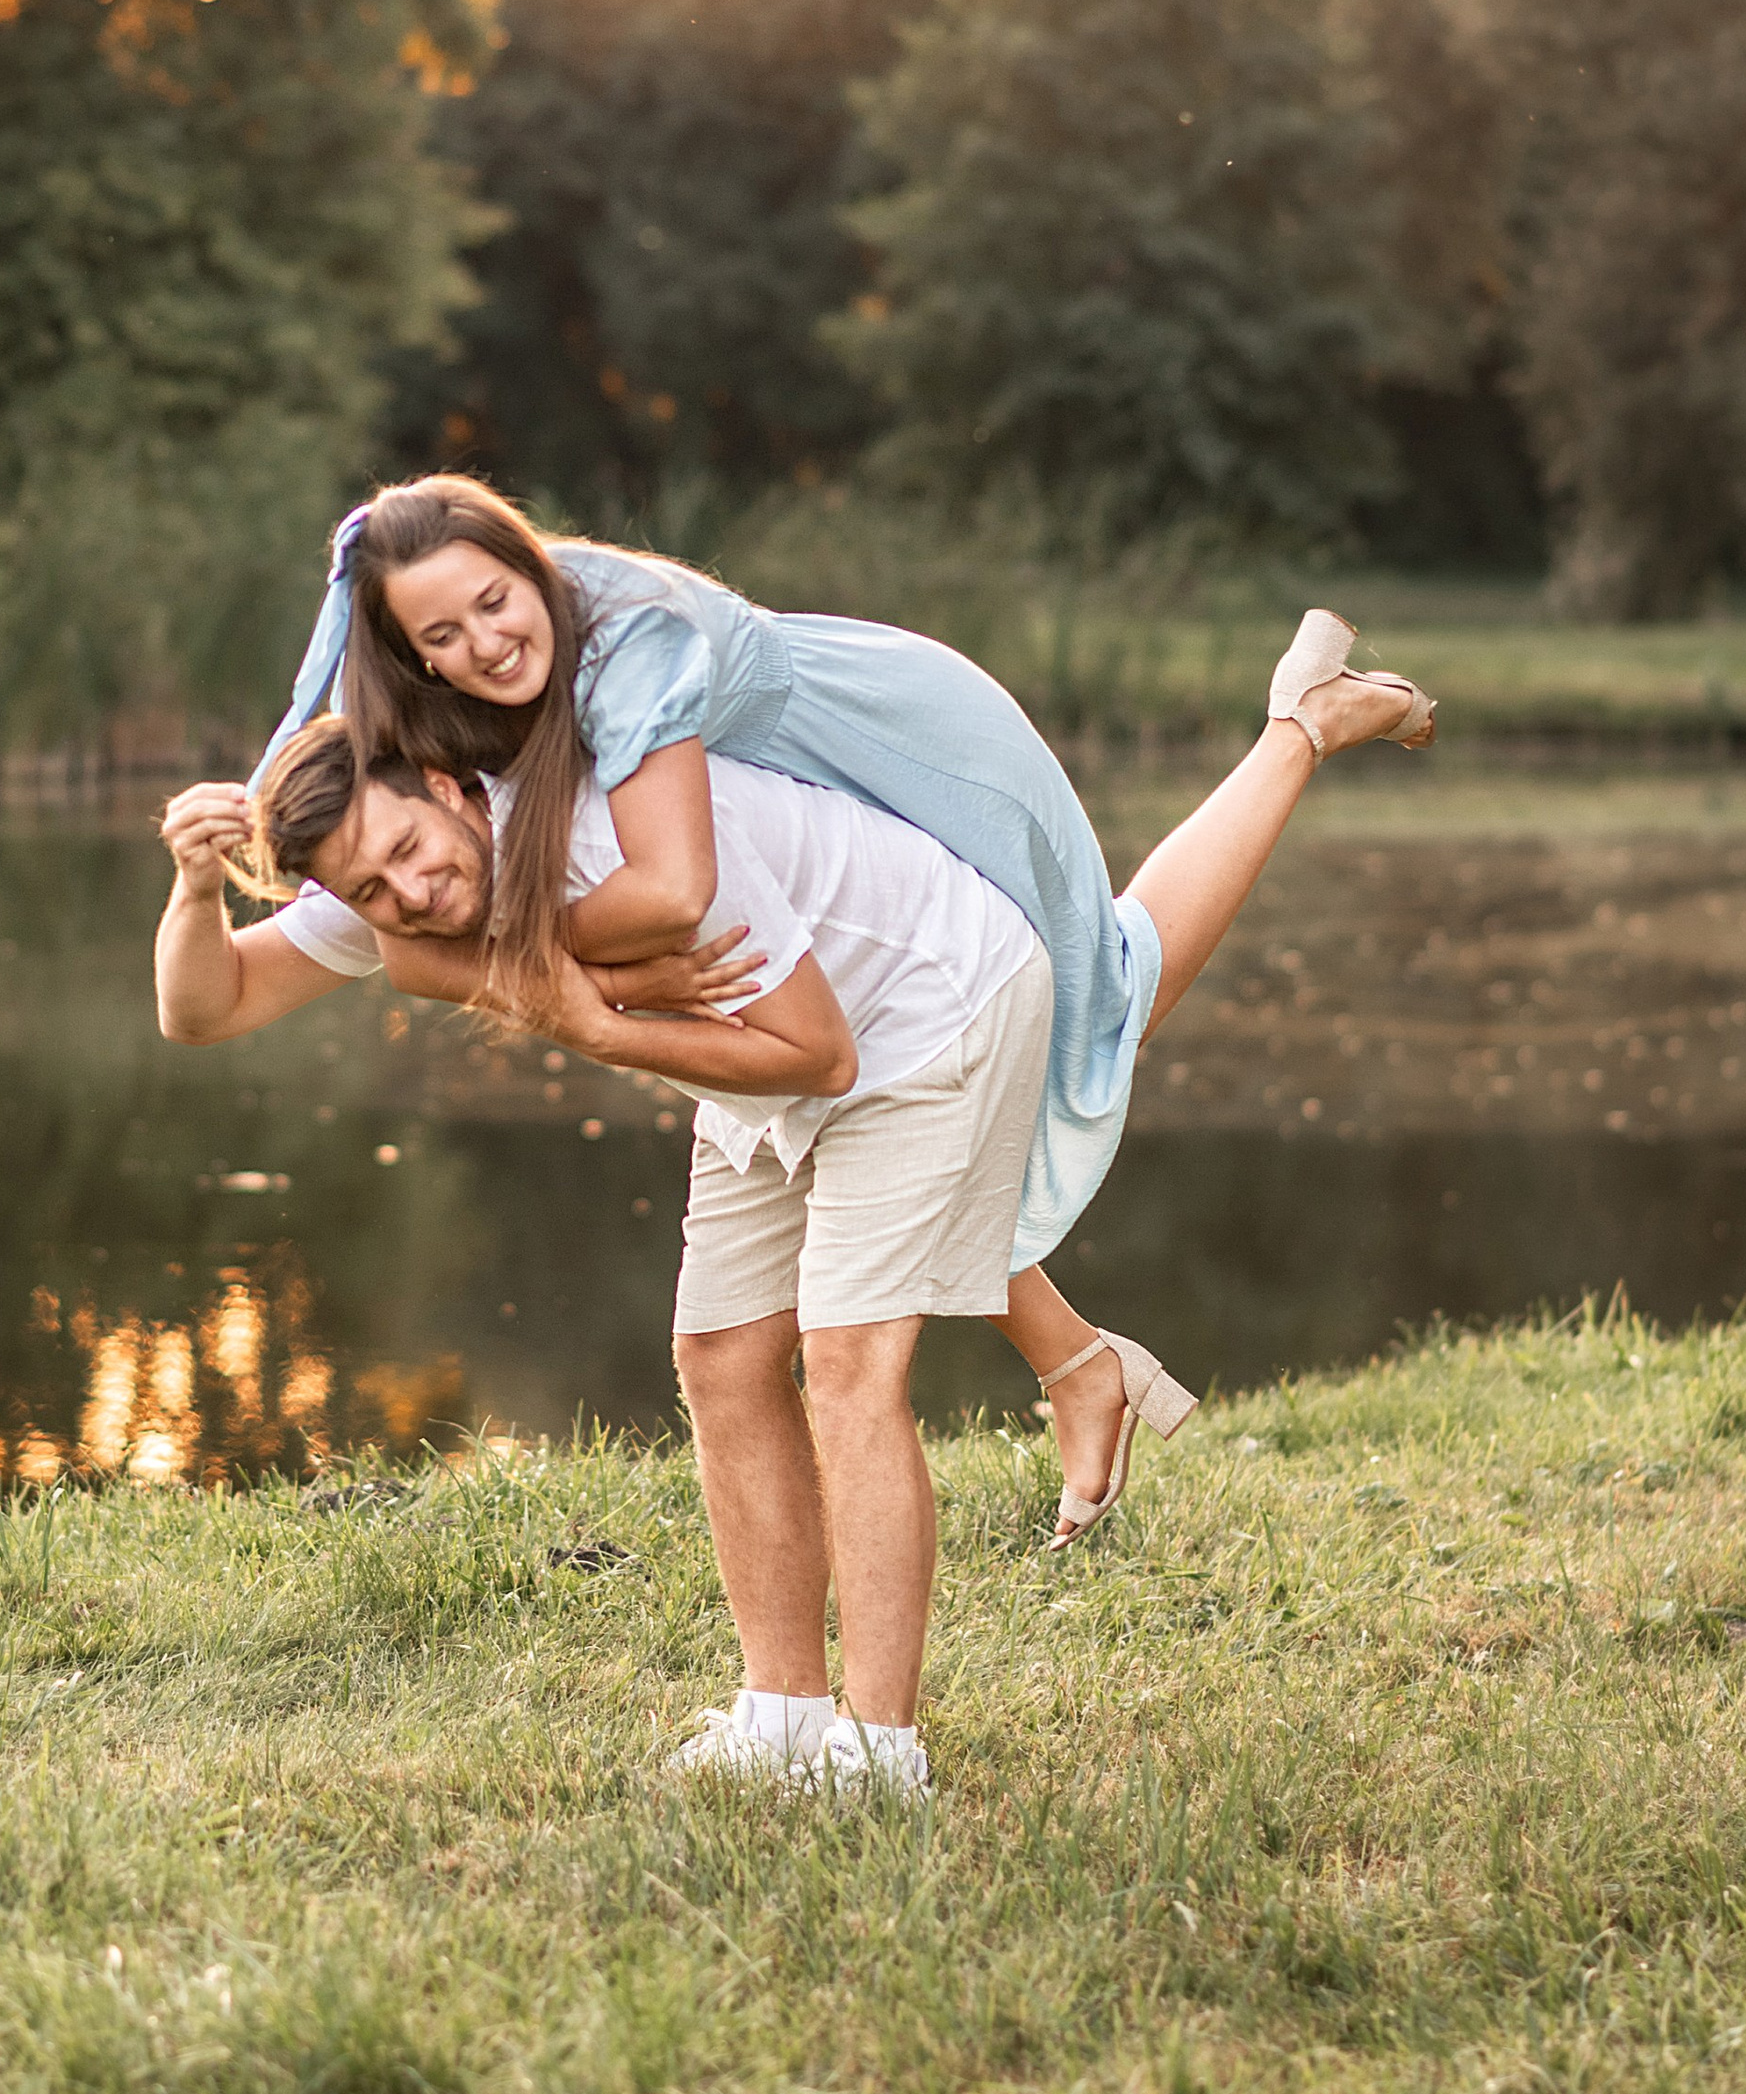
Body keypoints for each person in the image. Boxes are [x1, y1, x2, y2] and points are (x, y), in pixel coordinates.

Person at [250, 477, 1434, 1538]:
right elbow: (325, 760)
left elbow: (667, 891)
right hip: (793, 788)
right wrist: (244, 858)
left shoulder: (628, 646)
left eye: (493, 603)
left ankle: (1301, 726)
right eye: (439, 637)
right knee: (883, 1102)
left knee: (1090, 989)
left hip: (891, 739)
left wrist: (544, 978)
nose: (480, 644)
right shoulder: (462, 686)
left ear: (529, 564)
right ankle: (1080, 1366)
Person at [158, 717, 1193, 1792]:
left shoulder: (611, 833)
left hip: (930, 1011)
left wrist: (595, 1025)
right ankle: (782, 1714)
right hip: (777, 1055)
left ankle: (882, 1751)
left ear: (444, 784)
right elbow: (204, 1007)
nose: (408, 895)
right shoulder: (408, 887)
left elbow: (824, 1054)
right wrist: (195, 891)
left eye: (408, 853)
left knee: (848, 1370)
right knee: (720, 1357)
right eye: (371, 891)